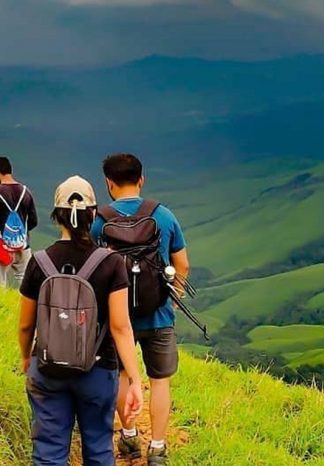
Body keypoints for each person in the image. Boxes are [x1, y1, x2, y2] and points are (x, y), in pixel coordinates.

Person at [18, 176, 143, 466]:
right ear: (93, 214)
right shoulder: (111, 263)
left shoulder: (39, 262)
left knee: (48, 451)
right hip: (97, 371)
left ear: (57, 215)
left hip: (47, 367)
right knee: (99, 448)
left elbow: (26, 324)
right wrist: (135, 380)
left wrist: (27, 357)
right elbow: (121, 327)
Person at [92, 154, 189, 465]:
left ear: (108, 183)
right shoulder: (164, 216)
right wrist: (171, 296)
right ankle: (158, 447)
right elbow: (182, 264)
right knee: (160, 381)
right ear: (142, 179)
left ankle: (130, 436)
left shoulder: (99, 222)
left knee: (122, 375)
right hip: (159, 315)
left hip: (117, 319)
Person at [0, 156, 38, 287]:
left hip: (2, 248)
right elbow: (33, 220)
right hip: (23, 246)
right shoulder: (26, 192)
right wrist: (19, 234)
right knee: (28, 286)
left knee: (1, 285)